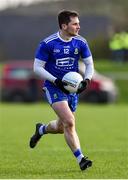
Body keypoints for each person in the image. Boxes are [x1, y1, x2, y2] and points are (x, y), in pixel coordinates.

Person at [29, 10, 94, 171]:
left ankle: (41, 129)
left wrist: (87, 79)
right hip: (53, 87)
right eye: (75, 23)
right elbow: (37, 68)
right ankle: (81, 159)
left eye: (78, 23)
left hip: (72, 89)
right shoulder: (48, 43)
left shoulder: (81, 42)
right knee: (70, 122)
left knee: (61, 126)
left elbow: (89, 64)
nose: (79, 26)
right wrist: (55, 80)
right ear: (64, 25)